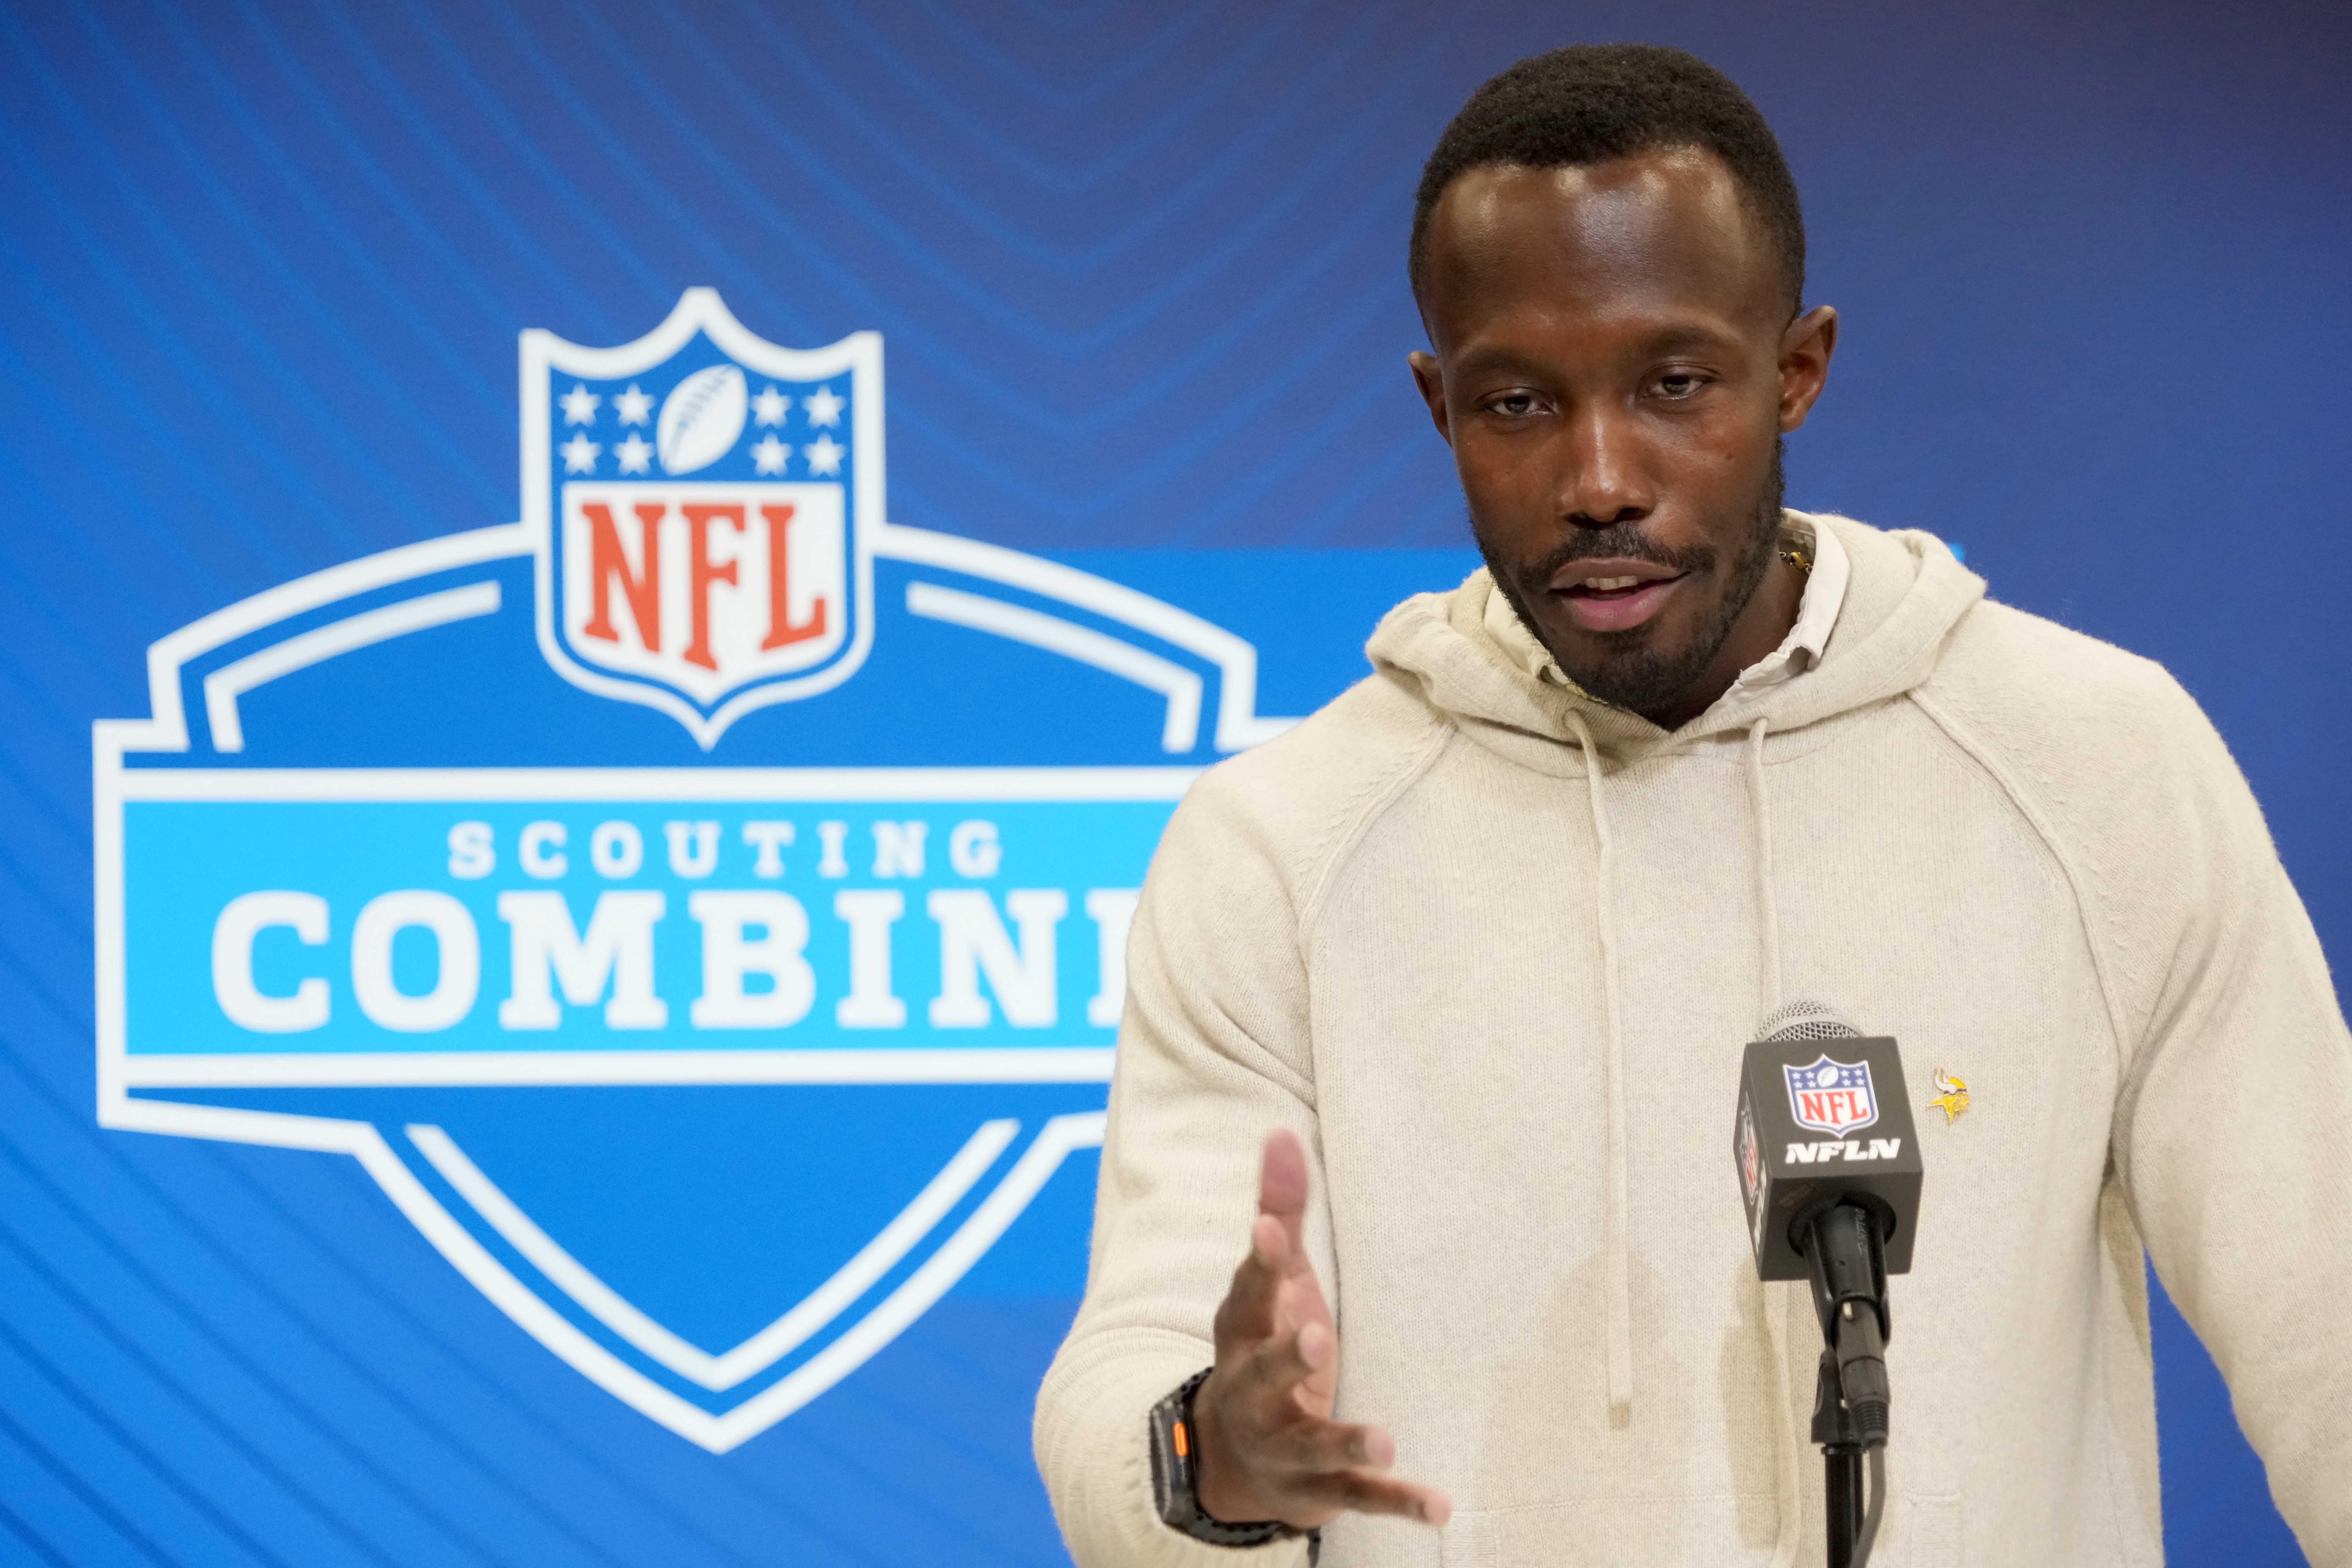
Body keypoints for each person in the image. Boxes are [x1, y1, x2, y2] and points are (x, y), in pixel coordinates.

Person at [1034, 42, 2352, 1568]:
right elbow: (1129, 1387)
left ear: (1795, 368)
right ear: (1434, 401)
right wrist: (1211, 1454)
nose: (1598, 477)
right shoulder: (1280, 843)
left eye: (1672, 384)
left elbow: (2327, 1320)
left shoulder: (2094, 764)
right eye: (1516, 401)